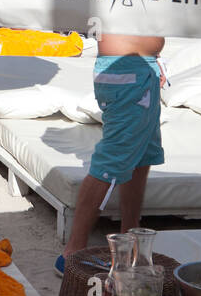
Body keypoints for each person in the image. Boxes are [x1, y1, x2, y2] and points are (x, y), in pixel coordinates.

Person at [58, 33, 167, 274]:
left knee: (142, 155)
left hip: (140, 68)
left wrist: (153, 60)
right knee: (111, 162)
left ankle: (131, 235)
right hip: (128, 72)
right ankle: (72, 253)